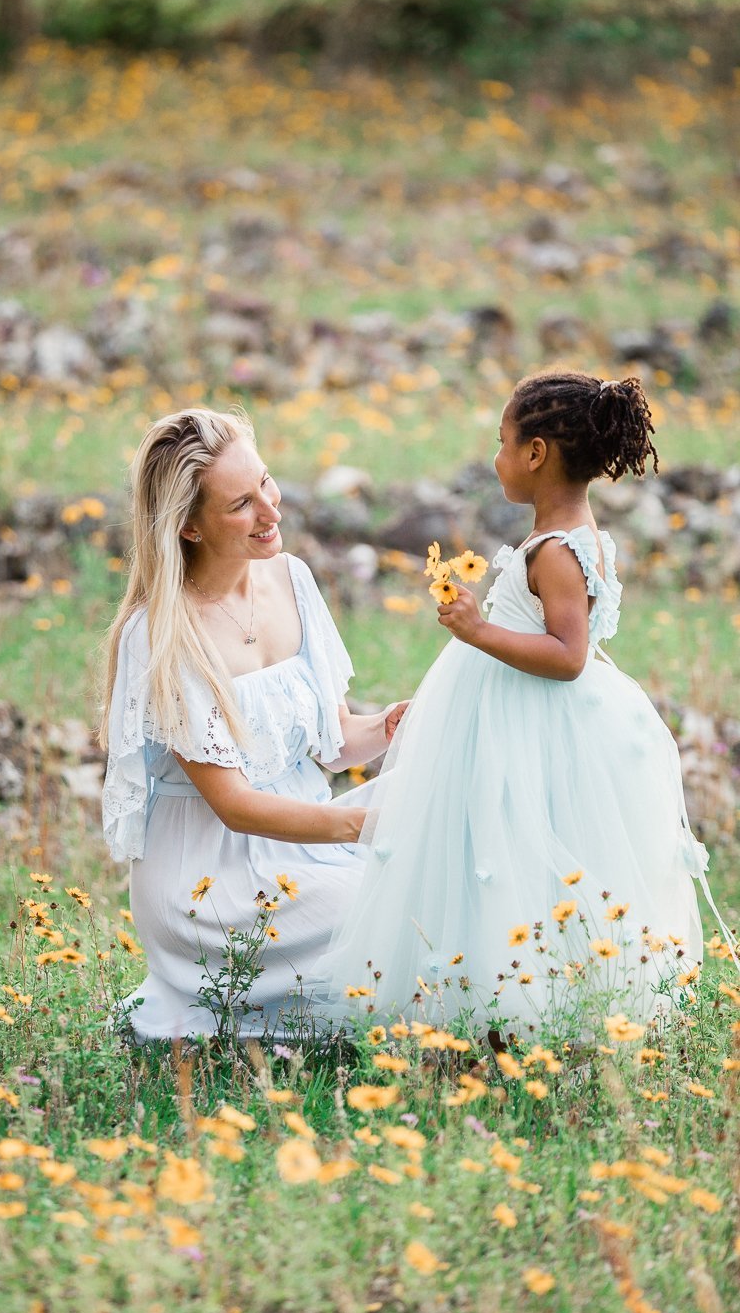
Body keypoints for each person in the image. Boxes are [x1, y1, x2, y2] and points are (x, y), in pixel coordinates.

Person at [315, 372, 734, 1038]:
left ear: (536, 454)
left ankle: (519, 1007)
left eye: (503, 442)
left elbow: (567, 656)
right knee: (500, 851)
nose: (495, 456)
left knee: (516, 846)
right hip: (516, 717)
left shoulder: (559, 549)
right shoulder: (564, 537)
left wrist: (480, 630)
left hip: (530, 724)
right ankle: (500, 1001)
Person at [98, 406, 406, 1041]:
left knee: (443, 842)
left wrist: (394, 726)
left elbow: (333, 741)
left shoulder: (290, 579)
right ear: (188, 526)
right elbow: (235, 804)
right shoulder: (163, 632)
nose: (272, 511)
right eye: (241, 504)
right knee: (386, 910)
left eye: (265, 482)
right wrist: (357, 825)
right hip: (214, 876)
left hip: (308, 832)